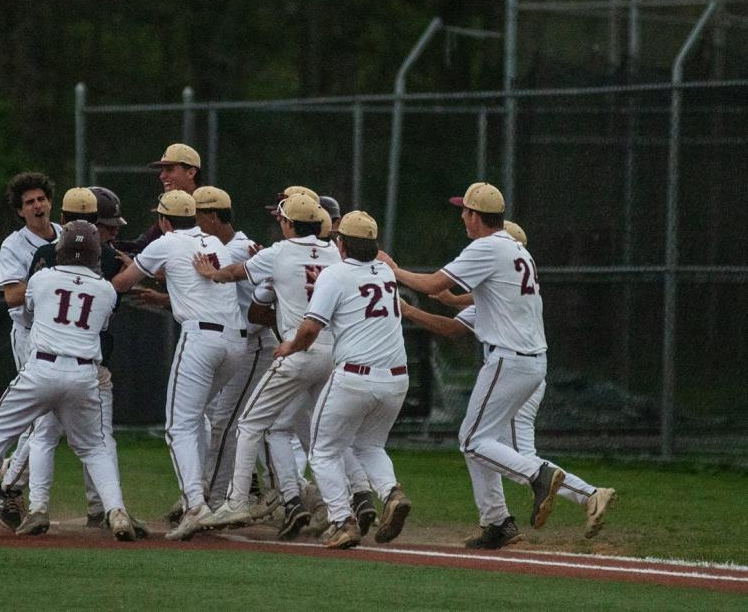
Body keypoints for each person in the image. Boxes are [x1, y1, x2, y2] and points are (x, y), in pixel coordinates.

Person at [400, 220, 617, 540]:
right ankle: (513, 517)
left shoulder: (498, 281)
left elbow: (451, 318)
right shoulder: (508, 291)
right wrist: (444, 302)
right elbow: (456, 324)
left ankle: (530, 494)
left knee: (477, 442)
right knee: (483, 445)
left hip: (510, 371)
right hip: (526, 371)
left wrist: (409, 306)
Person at [381, 182, 565, 550]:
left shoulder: (487, 246)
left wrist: (395, 270)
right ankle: (497, 522)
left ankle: (538, 475)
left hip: (508, 359)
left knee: (471, 439)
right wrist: (440, 299)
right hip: (529, 361)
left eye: (465, 211)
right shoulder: (515, 250)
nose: (462, 217)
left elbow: (434, 282)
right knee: (480, 440)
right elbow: (459, 298)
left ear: (476, 215)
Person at [0, 221, 138, 543]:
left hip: (42, 368)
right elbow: (100, 323)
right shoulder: (105, 289)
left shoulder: (42, 278)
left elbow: (30, 310)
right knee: (94, 448)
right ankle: (116, 510)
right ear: (94, 254)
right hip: (84, 373)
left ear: (61, 249)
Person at [4, 188, 148, 540]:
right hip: (77, 358)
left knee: (47, 434)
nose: (112, 232)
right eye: (107, 226)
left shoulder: (48, 255)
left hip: (57, 356)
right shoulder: (97, 259)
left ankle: (42, 503)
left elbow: (31, 305)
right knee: (84, 439)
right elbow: (105, 308)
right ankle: (104, 509)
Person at [195, 193, 341, 540]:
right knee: (321, 438)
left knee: (248, 425)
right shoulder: (335, 254)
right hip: (333, 352)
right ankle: (334, 506)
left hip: (297, 349)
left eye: (282, 219)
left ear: (289, 223)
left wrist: (211, 272)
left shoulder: (278, 252)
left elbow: (234, 274)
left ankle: (236, 501)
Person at [112, 190, 245, 540]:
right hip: (236, 342)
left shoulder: (165, 242)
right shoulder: (216, 243)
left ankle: (195, 505)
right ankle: (209, 495)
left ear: (164, 221)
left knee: (178, 425)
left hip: (200, 338)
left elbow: (122, 285)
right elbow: (183, 274)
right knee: (197, 417)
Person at [281, 211, 412, 549]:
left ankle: (343, 520)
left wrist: (290, 347)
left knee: (323, 452)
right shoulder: (386, 272)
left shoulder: (335, 275)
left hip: (355, 376)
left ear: (341, 245)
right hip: (397, 378)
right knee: (369, 445)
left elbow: (310, 328)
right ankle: (391, 493)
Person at [0, 172, 62, 529]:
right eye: (29, 202)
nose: (37, 205)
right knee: (44, 419)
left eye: (41, 199)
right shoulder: (14, 245)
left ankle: (11, 479)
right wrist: (48, 281)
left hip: (64, 337)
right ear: (20, 212)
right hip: (31, 334)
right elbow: (11, 295)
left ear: (50, 201)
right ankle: (10, 486)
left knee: (48, 420)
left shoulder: (66, 235)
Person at [119, 143, 202, 255]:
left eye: (169, 169)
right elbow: (142, 245)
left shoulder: (207, 208)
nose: (162, 176)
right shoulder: (172, 206)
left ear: (191, 173)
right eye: (162, 170)